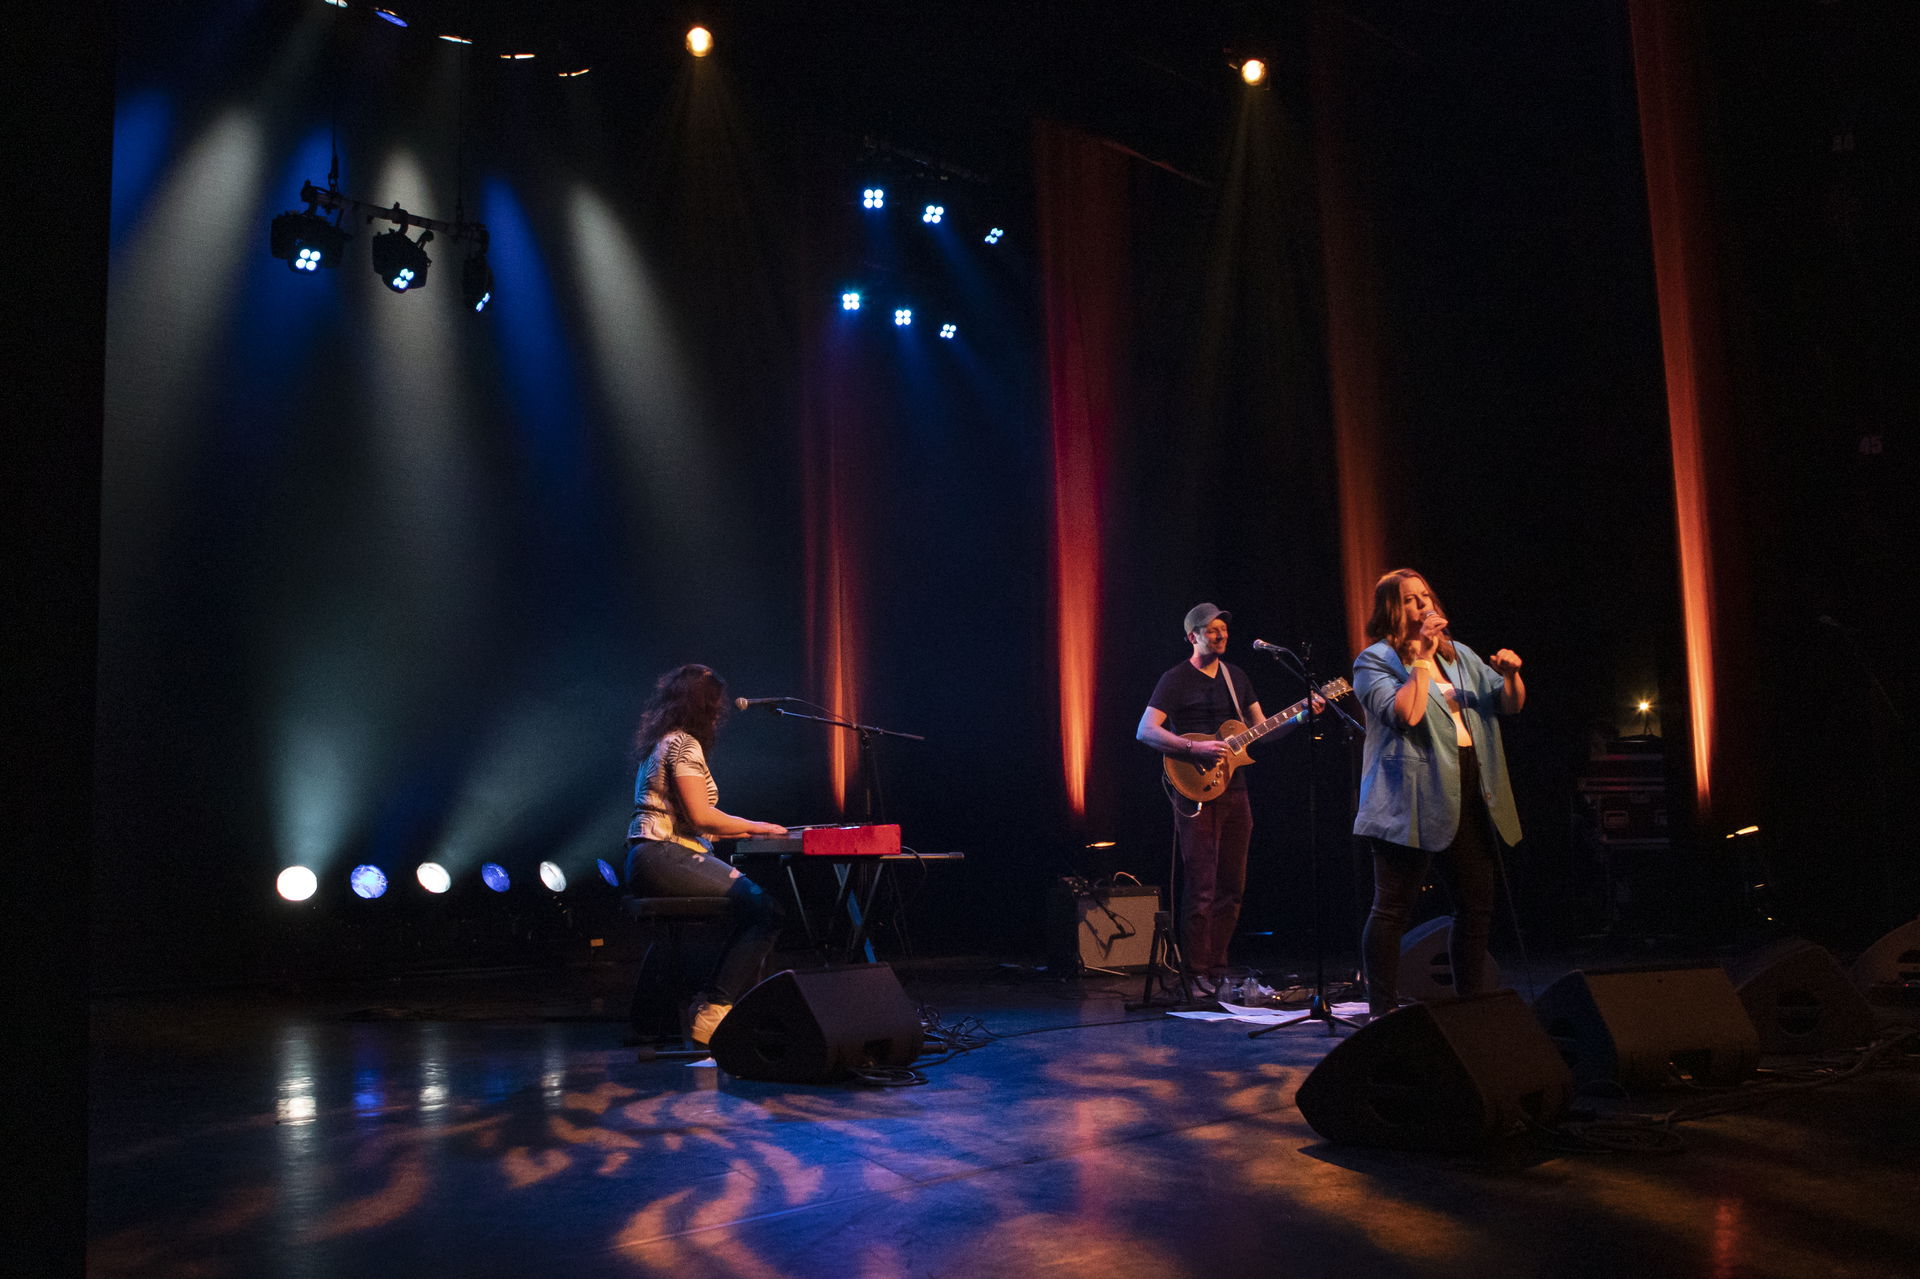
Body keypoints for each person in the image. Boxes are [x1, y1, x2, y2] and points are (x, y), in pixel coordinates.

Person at [1351, 569, 1525, 1018]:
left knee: (1475, 904)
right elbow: (1404, 713)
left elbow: (1508, 704)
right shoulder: (1374, 661)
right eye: (1411, 599)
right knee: (1392, 908)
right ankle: (1381, 1011)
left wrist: (1510, 676)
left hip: (1468, 790)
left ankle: (1472, 1007)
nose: (1423, 605)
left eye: (1426, 595)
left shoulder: (1461, 655)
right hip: (1408, 797)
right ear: (1393, 608)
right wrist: (1422, 658)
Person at [626, 664, 789, 1046]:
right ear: (702, 706)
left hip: (652, 856)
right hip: (664, 855)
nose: (719, 714)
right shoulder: (683, 744)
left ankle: (679, 1014)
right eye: (714, 706)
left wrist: (747, 829)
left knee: (744, 913)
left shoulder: (663, 742)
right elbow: (701, 817)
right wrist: (762, 827)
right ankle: (714, 1011)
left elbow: (696, 822)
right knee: (766, 911)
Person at [1136, 603, 1275, 995]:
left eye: (1223, 629)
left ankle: (1217, 969)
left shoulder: (1237, 677)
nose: (1221, 635)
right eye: (1211, 630)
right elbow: (1146, 730)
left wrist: (1301, 715)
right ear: (1192, 637)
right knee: (1201, 884)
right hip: (1195, 788)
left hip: (1235, 789)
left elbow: (1260, 730)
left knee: (1232, 883)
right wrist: (1191, 749)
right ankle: (1194, 972)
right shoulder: (1176, 679)